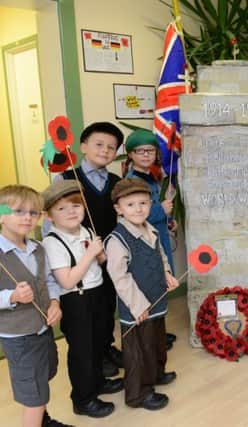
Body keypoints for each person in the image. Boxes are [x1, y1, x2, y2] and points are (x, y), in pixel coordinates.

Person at [42, 180, 123, 418]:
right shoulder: (52, 242)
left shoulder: (86, 231)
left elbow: (100, 261)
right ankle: (83, 399)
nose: (71, 212)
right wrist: (89, 254)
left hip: (96, 292)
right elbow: (66, 280)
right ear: (49, 216)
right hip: (76, 300)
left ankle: (97, 383)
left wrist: (100, 254)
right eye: (62, 208)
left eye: (76, 205)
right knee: (82, 351)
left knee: (98, 342)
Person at [104, 178, 179, 410]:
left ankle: (156, 373)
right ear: (118, 208)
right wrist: (137, 305)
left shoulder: (152, 229)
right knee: (139, 349)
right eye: (131, 204)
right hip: (137, 306)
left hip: (156, 298)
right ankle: (139, 393)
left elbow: (161, 256)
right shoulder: (117, 239)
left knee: (156, 341)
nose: (138, 209)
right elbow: (120, 277)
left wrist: (167, 273)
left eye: (143, 203)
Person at [59, 122, 125, 377]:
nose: (105, 150)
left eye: (111, 147)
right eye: (99, 144)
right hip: (80, 258)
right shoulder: (66, 178)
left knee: (108, 303)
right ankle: (95, 354)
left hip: (109, 254)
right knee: (89, 309)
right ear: (83, 146)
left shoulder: (116, 181)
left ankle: (107, 347)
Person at [0, 185, 69, 427]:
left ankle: (43, 420)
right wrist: (11, 297)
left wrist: (54, 302)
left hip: (43, 329)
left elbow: (49, 281)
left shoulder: (38, 248)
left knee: (44, 377)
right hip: (19, 336)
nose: (27, 217)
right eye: (19, 211)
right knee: (33, 394)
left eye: (33, 212)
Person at [124, 129, 178, 349]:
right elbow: (135, 216)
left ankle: (159, 331)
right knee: (151, 285)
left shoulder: (152, 178)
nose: (146, 155)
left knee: (161, 283)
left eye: (150, 151)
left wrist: (168, 219)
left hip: (159, 237)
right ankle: (152, 336)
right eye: (140, 151)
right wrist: (161, 212)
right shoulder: (132, 181)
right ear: (131, 155)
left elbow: (159, 206)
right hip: (145, 241)